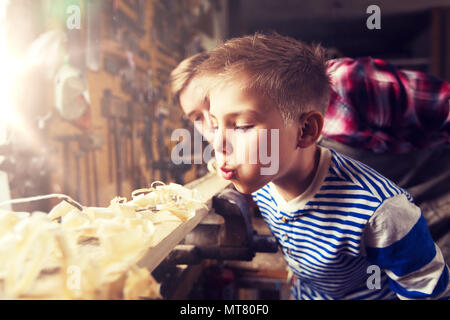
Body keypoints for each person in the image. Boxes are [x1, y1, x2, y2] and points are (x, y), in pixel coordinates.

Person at [190, 32, 450, 300]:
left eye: (242, 126)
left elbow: (426, 290)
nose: (218, 143)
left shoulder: (380, 213)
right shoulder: (265, 176)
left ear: (305, 131)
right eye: (214, 124)